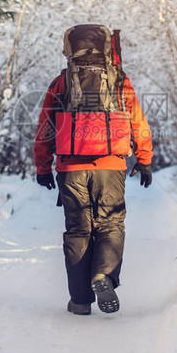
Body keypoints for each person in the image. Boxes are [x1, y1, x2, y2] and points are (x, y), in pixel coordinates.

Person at [34, 25, 153, 316]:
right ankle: (104, 274)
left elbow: (45, 129)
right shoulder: (118, 80)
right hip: (111, 164)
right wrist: (144, 158)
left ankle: (80, 301)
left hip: (70, 166)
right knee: (110, 224)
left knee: (78, 231)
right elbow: (138, 120)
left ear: (70, 51)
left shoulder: (61, 82)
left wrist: (42, 167)